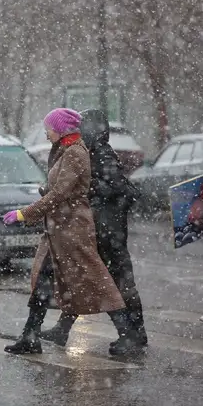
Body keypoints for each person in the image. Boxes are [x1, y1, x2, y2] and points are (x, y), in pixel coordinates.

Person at [2, 108, 140, 356]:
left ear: (62, 129)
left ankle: (127, 335)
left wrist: (24, 214)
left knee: (96, 281)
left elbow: (60, 194)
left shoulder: (76, 153)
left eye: (49, 129)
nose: (46, 135)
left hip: (73, 231)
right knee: (43, 282)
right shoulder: (65, 150)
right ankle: (30, 336)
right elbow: (58, 189)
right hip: (58, 230)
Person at [40, 109, 148, 348]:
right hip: (100, 229)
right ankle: (63, 329)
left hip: (108, 232)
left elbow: (116, 188)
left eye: (82, 126)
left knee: (116, 282)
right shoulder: (90, 151)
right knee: (84, 279)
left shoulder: (101, 153)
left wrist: (81, 190)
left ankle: (135, 334)